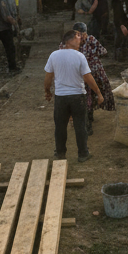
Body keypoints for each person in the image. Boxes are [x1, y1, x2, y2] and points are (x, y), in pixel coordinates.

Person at [44, 28, 100, 163]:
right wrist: (98, 92)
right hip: (77, 96)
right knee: (80, 125)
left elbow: (48, 77)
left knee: (60, 126)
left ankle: (60, 153)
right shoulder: (79, 56)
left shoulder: (54, 55)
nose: (80, 39)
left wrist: (47, 91)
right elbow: (88, 78)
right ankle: (83, 154)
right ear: (71, 40)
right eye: (78, 37)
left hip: (61, 97)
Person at [67, 21, 114, 130]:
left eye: (83, 34)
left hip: (92, 73)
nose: (82, 36)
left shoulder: (91, 40)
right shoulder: (70, 43)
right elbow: (103, 52)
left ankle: (88, 118)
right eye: (79, 34)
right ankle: (86, 121)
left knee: (91, 94)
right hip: (80, 74)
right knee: (85, 96)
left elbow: (102, 51)